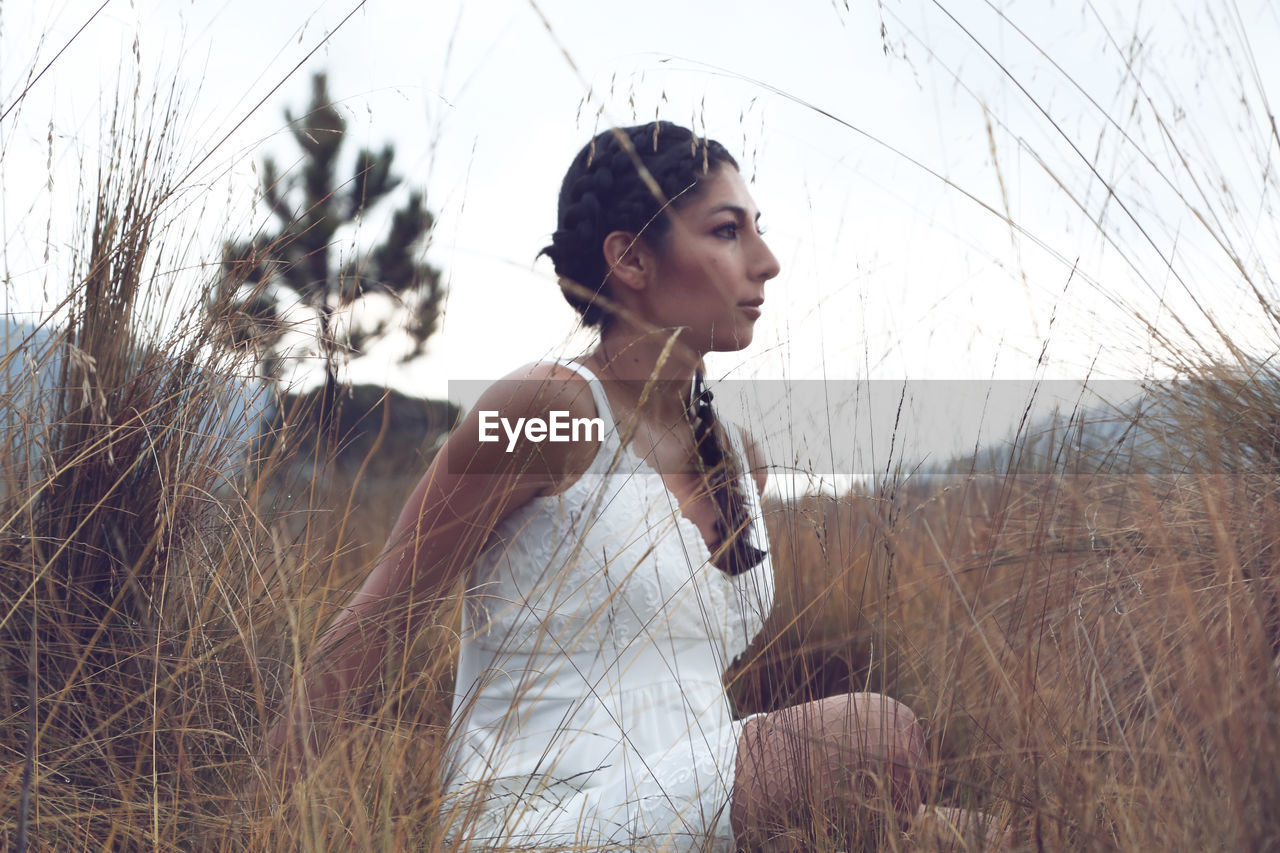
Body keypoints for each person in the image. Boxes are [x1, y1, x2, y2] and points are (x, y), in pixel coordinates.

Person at [266, 121, 1001, 851]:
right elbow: (383, 613)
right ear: (631, 259)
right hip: (543, 820)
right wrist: (248, 818)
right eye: (726, 231)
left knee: (986, 835)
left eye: (758, 230)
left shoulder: (739, 460)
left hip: (683, 811)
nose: (767, 261)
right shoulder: (548, 412)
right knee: (871, 739)